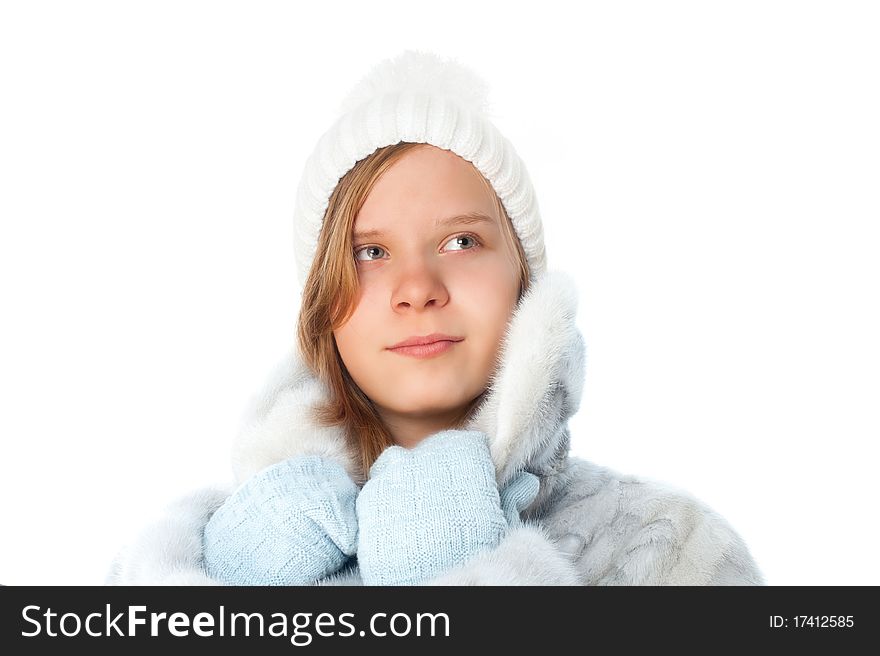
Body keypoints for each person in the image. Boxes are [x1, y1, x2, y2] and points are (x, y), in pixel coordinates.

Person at [106, 50, 765, 586]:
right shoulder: (189, 562)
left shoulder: (670, 552)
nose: (417, 288)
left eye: (461, 242)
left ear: (523, 282)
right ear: (323, 305)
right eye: (369, 252)